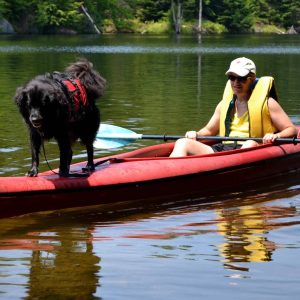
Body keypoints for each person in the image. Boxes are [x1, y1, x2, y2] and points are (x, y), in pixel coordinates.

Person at [170, 57, 297, 157]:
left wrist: (276, 136)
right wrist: (196, 133)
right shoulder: (223, 104)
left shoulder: (268, 103)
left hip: (253, 147)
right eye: (232, 78)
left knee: (249, 143)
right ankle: (172, 176)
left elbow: (291, 129)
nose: (236, 82)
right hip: (224, 149)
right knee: (182, 142)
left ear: (252, 79)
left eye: (241, 78)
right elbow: (209, 131)